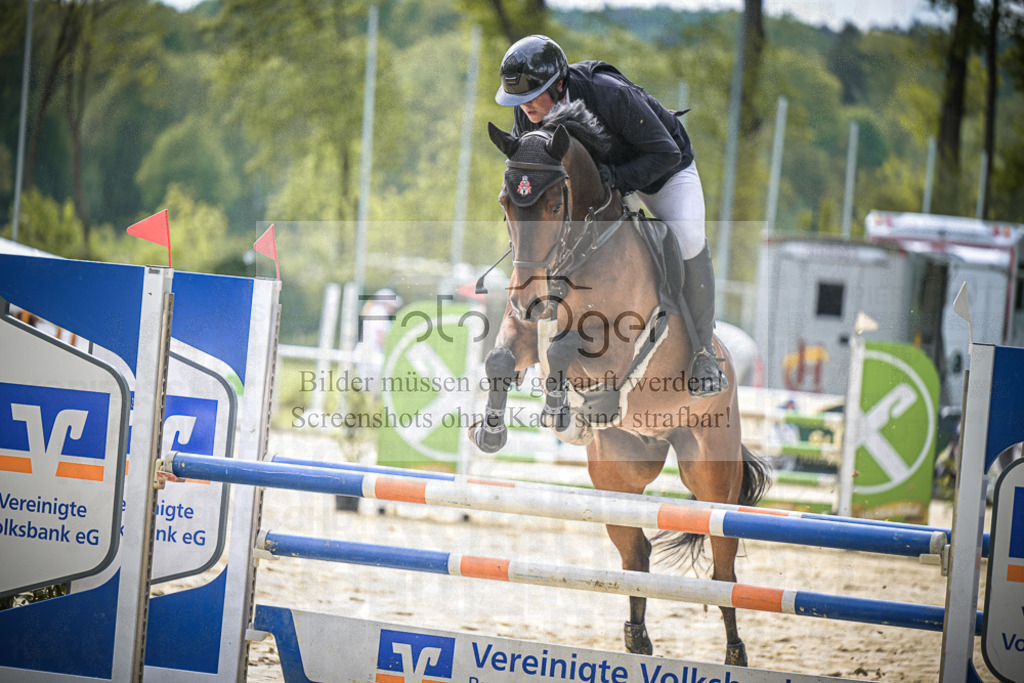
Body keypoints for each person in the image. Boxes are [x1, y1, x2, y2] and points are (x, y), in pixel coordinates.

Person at [494, 34, 726, 397]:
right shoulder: (529, 112)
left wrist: (617, 179)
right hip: (600, 184)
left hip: (662, 168)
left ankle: (703, 353)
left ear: (559, 85)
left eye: (531, 96)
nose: (524, 108)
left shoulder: (607, 92)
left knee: (688, 237)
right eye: (518, 100)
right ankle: (528, 338)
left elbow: (663, 153)